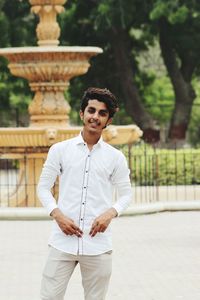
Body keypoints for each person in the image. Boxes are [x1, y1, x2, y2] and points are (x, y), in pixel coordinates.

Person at [37, 87, 132, 300]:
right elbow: (43, 187)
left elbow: (126, 194)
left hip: (98, 244)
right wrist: (57, 215)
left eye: (102, 113)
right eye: (91, 110)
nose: (95, 117)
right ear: (82, 114)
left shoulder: (115, 157)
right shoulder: (60, 150)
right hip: (62, 242)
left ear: (108, 121)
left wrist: (111, 213)